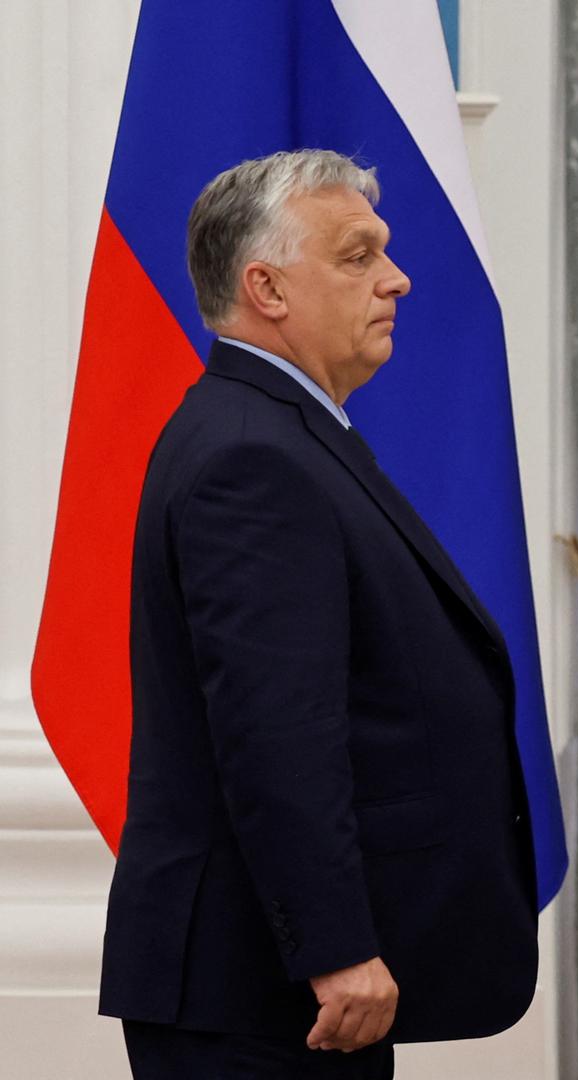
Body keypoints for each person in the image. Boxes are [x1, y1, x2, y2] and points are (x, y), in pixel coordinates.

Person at [98, 150, 539, 1078]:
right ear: (267, 287)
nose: (397, 277)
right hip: (264, 995)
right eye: (357, 254)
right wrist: (334, 947)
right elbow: (276, 730)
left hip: (282, 990)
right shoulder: (252, 457)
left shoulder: (282, 436)